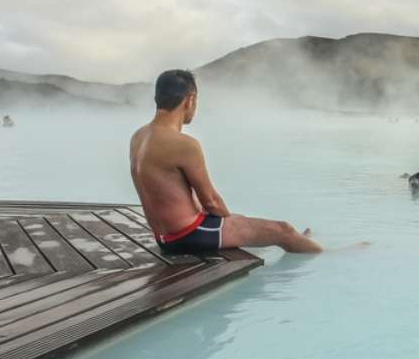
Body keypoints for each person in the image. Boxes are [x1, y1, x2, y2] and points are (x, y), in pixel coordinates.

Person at [129, 69, 322, 254]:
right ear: (190, 100)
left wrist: (238, 224)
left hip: (165, 237)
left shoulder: (139, 137)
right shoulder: (184, 145)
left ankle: (288, 240)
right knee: (283, 229)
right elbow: (211, 202)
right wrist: (231, 224)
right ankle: (326, 253)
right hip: (188, 236)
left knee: (244, 222)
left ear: (157, 98)